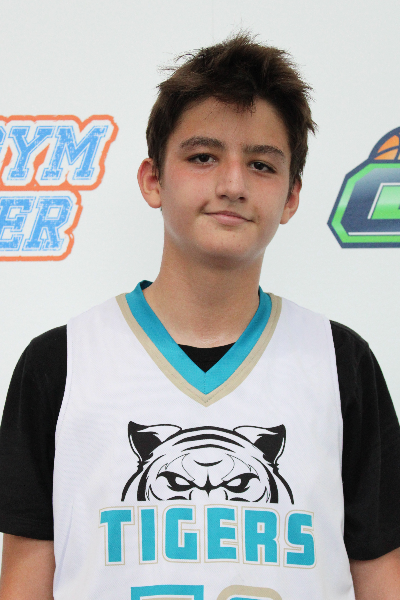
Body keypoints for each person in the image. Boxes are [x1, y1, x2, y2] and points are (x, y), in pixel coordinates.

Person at [0, 32, 399, 600]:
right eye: (203, 157)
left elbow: (381, 575)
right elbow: (23, 579)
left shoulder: (341, 363)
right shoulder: (58, 363)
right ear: (153, 180)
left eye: (261, 164)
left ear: (291, 197)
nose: (232, 184)